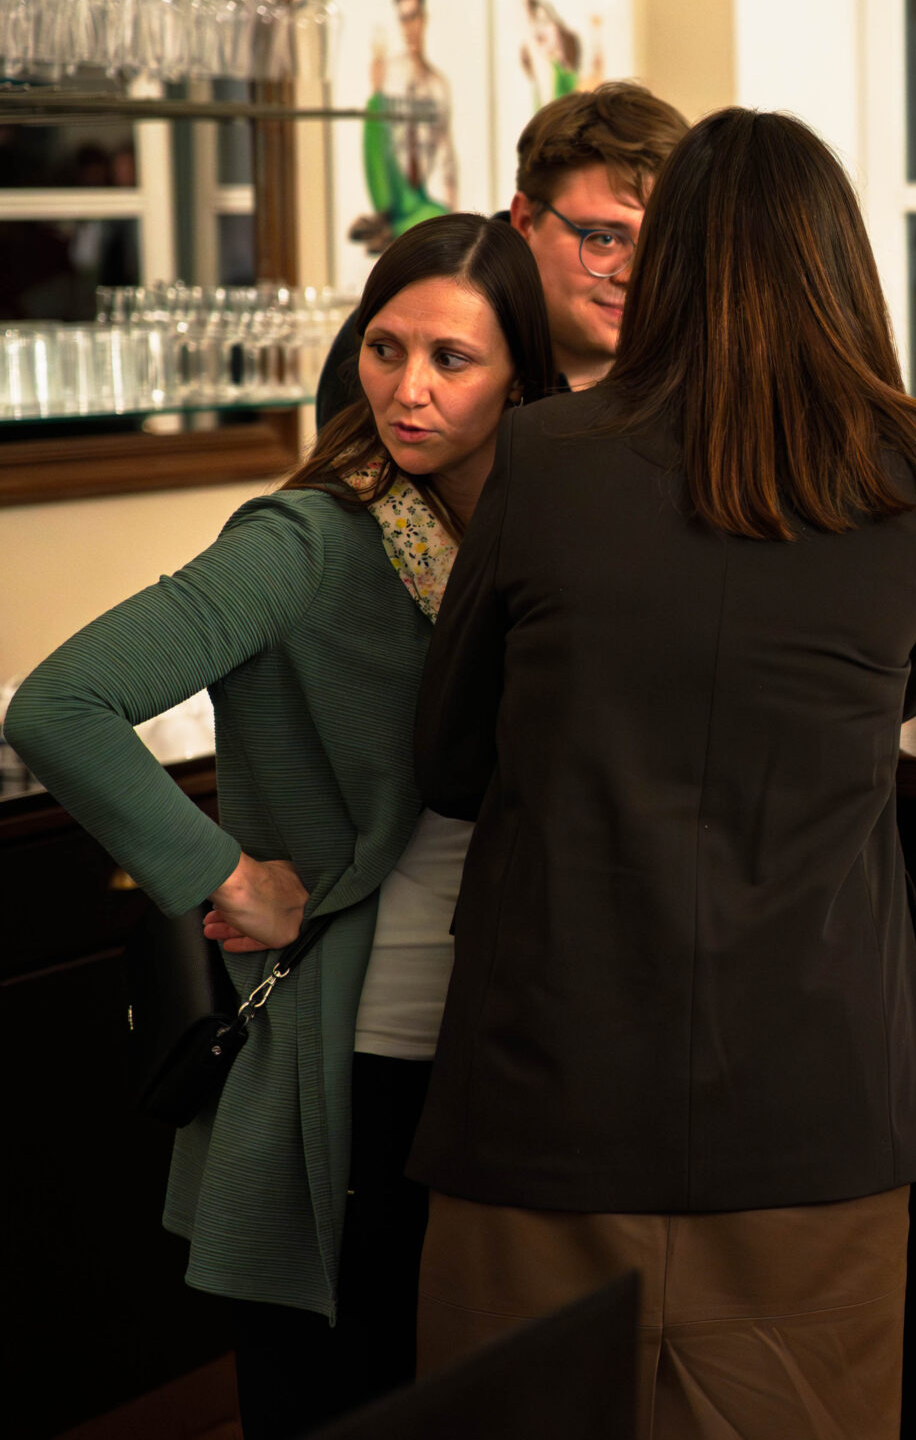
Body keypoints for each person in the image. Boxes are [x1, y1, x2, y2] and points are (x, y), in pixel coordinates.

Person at [405, 109, 916, 1440]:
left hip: (550, 1087)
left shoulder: (546, 456)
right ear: (841, 266)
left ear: (666, 268)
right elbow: (912, 703)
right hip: (818, 1102)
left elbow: (448, 753)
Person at [5, 215, 554, 1438]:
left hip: (505, 1051)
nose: (407, 388)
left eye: (452, 359)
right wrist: (228, 875)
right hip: (364, 1062)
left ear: (521, 376)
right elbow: (60, 703)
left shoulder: (536, 536)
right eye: (385, 347)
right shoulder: (310, 537)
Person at [318, 79, 691, 417]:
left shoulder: (697, 349)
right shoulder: (404, 324)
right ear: (525, 221)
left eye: (659, 244)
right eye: (604, 239)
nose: (633, 275)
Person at [347, 0, 459, 255]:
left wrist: (452, 199)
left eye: (414, 17)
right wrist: (376, 88)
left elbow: (446, 149)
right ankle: (386, 219)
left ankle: (395, 231)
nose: (409, 27)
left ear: (424, 18)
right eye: (403, 19)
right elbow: (375, 140)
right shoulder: (389, 72)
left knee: (440, 218)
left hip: (419, 192)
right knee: (376, 110)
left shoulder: (437, 84)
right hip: (393, 184)